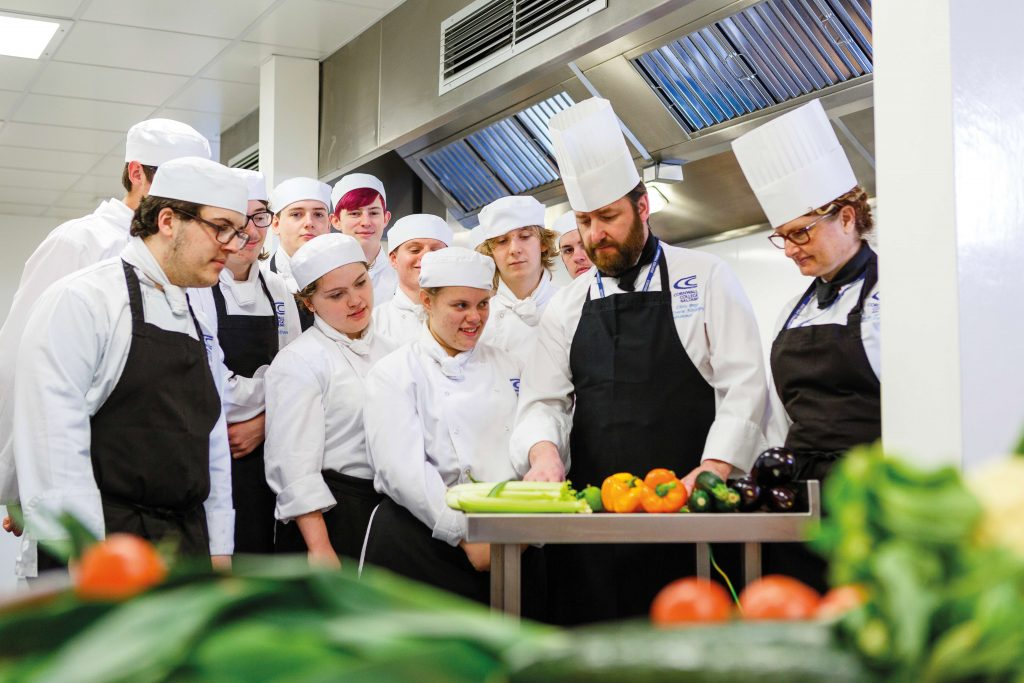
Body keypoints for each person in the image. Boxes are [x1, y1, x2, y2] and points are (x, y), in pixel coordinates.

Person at [510, 98, 768, 624]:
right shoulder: (566, 303)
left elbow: (745, 384)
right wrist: (544, 455)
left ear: (643, 208)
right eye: (584, 221)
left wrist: (715, 468)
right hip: (594, 523)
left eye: (608, 217)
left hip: (689, 515)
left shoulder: (707, 275)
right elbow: (543, 401)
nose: (595, 235)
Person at [13, 156, 249, 568]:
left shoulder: (196, 313)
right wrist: (87, 559)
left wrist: (218, 548)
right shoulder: (84, 300)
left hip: (185, 546)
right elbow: (54, 442)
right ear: (168, 221)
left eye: (238, 231)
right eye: (220, 227)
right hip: (104, 545)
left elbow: (209, 442)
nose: (232, 245)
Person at [732, 98, 879, 592]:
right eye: (782, 237)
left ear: (845, 216)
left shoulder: (897, 297)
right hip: (795, 501)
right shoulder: (792, 310)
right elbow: (779, 416)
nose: (791, 248)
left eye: (800, 232)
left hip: (866, 505)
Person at [362, 248, 543, 609]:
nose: (474, 317)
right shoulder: (394, 372)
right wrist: (464, 535)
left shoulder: (509, 365)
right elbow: (403, 470)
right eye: (460, 305)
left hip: (509, 534)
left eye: (483, 304)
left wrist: (522, 532)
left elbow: (531, 437)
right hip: (423, 536)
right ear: (427, 302)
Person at [189, 169, 303, 554]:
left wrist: (262, 422)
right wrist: (265, 399)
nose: (251, 231)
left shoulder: (278, 289)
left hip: (266, 448)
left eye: (260, 217)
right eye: (240, 218)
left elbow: (296, 374)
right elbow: (209, 379)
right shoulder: (198, 285)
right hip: (211, 445)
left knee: (257, 551)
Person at [264, 233, 395, 567]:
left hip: (386, 513)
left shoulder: (393, 351)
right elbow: (293, 464)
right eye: (337, 295)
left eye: (361, 283)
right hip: (332, 517)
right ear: (309, 303)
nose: (356, 300)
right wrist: (319, 546)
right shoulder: (299, 361)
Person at [472, 195, 559, 365]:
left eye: (525, 236)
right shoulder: (479, 318)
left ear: (543, 244)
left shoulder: (570, 304)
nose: (514, 249)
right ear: (491, 253)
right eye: (502, 241)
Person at [372, 213, 452, 345]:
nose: (426, 256)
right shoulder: (375, 322)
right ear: (393, 259)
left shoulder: (463, 317)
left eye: (436, 250)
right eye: (415, 250)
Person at [266, 177, 333, 331]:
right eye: (296, 214)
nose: (309, 222)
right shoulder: (261, 281)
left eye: (318, 214)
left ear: (328, 224)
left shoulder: (342, 279)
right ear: (276, 224)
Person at [329, 173, 398, 305]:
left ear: (386, 218)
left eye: (373, 213)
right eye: (355, 213)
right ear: (336, 221)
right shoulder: (324, 276)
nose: (366, 222)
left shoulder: (403, 279)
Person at [551, 210, 593, 279]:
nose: (577, 258)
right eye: (568, 250)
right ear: (563, 259)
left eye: (585, 246)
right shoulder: (564, 290)